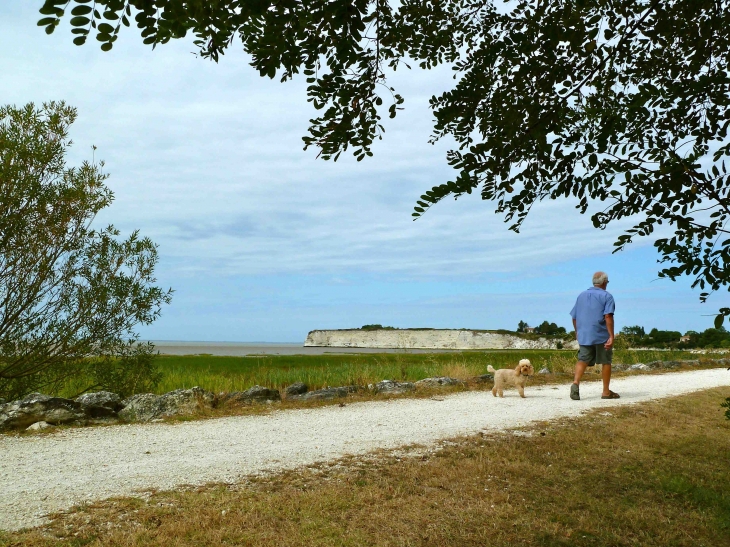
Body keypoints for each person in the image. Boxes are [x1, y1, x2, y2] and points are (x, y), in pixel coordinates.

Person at [569, 271, 619, 400]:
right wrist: (611, 336)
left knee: (583, 359)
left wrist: (577, 331)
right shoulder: (607, 296)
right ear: (604, 282)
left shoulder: (581, 296)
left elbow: (574, 317)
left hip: (584, 333)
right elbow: (608, 316)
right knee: (606, 361)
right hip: (601, 334)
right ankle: (606, 392)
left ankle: (575, 383)